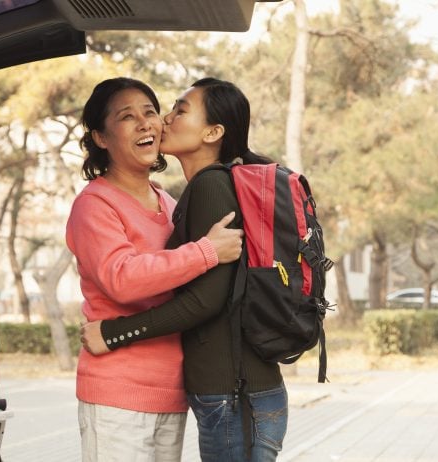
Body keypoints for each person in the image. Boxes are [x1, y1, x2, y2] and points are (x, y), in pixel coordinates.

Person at [81, 77, 287, 461]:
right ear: (101, 138)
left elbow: (206, 296)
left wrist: (116, 332)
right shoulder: (95, 204)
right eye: (127, 117)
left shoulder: (175, 200)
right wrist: (206, 251)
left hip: (181, 391)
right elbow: (122, 279)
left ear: (213, 132)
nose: (154, 121)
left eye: (151, 111)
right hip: (121, 391)